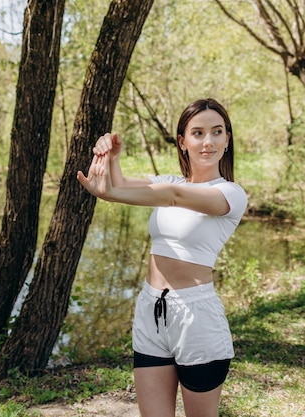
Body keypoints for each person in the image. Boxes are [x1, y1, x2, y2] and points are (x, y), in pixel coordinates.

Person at [77, 98, 248, 417]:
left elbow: (173, 198)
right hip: (151, 311)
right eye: (197, 133)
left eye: (217, 132)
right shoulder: (169, 181)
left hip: (197, 318)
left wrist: (109, 195)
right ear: (183, 142)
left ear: (227, 139)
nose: (207, 141)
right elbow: (123, 183)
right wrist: (111, 157)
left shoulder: (230, 194)